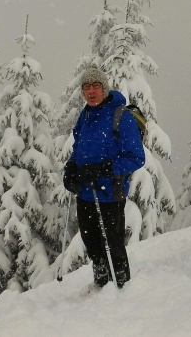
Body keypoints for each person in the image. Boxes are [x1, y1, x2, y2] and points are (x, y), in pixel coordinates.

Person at [63, 64, 145, 289]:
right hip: (85, 192)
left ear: (105, 88)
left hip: (110, 192)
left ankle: (122, 285)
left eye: (96, 86)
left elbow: (136, 158)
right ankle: (101, 284)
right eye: (86, 87)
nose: (91, 91)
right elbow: (78, 147)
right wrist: (71, 168)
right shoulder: (85, 115)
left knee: (113, 244)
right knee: (92, 243)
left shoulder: (122, 116)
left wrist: (104, 169)